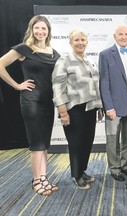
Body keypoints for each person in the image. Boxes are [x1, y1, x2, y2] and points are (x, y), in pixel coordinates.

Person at [0, 15, 60, 196]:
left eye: (44, 28)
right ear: (31, 29)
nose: (40, 31)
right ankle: (36, 180)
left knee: (44, 144)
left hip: (48, 103)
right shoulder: (24, 49)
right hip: (31, 101)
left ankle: (44, 178)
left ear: (48, 31)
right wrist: (17, 85)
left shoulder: (53, 53)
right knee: (36, 144)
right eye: (37, 28)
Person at [52, 28, 102, 190]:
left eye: (83, 40)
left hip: (90, 108)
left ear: (87, 42)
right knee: (76, 142)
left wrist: (100, 106)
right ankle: (76, 175)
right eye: (76, 40)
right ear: (70, 43)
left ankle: (82, 170)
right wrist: (63, 112)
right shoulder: (63, 61)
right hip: (73, 109)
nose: (80, 43)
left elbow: (96, 85)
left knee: (87, 141)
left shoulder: (90, 61)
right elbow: (57, 87)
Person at [99, 25, 127, 181]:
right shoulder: (105, 55)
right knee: (113, 138)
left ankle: (125, 165)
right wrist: (108, 106)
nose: (123, 37)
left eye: (126, 35)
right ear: (114, 36)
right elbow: (104, 82)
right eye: (120, 34)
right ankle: (115, 168)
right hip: (114, 105)